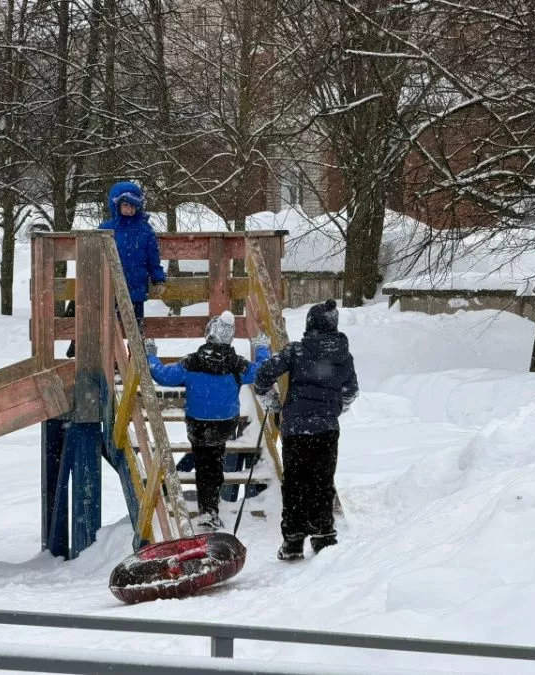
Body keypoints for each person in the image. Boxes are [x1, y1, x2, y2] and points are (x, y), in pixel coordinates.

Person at [142, 311, 271, 531]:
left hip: (198, 424)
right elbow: (261, 371)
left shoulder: (192, 362)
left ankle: (207, 508)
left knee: (204, 463)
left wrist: (151, 355)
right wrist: (261, 349)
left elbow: (163, 375)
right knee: (214, 461)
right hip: (224, 424)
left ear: (208, 335)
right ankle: (210, 507)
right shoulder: (236, 365)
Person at [253, 299, 358, 561]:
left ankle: (293, 541)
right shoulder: (343, 356)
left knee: (295, 483)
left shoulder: (296, 351)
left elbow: (264, 374)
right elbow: (351, 391)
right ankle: (323, 535)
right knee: (322, 481)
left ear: (311, 323)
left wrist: (271, 400)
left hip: (297, 429)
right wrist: (336, 407)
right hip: (326, 429)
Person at [98, 181, 166, 334]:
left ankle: (136, 357)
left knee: (135, 331)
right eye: (126, 205)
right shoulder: (106, 228)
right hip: (111, 288)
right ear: (117, 205)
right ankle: (113, 358)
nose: (130, 210)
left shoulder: (145, 229)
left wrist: (158, 278)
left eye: (133, 206)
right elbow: (96, 258)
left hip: (136, 288)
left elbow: (153, 257)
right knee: (109, 331)